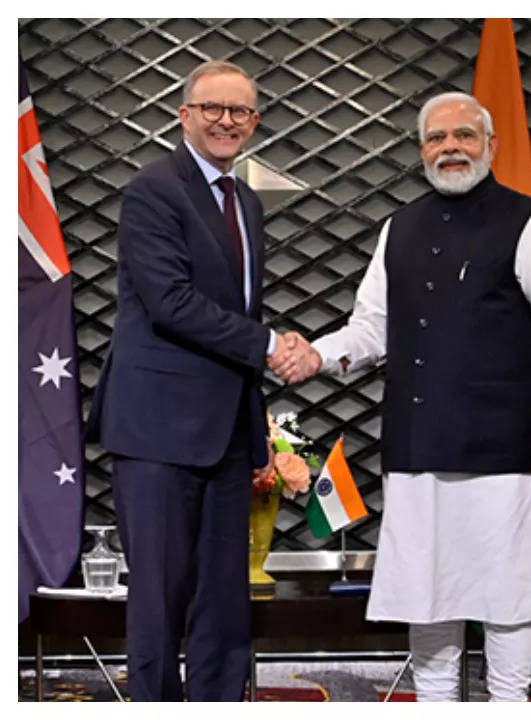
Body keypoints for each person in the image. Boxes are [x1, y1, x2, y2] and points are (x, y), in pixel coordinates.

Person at [277, 92, 531, 701]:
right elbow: (371, 326)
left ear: (491, 147)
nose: (450, 148)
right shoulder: (400, 227)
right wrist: (317, 353)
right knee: (428, 604)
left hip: (504, 455)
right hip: (416, 450)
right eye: (436, 138)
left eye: (464, 136)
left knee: (504, 602)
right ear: (421, 150)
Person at [84, 60, 313, 701]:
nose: (225, 121)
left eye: (239, 111)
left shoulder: (246, 203)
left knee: (224, 601)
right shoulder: (155, 188)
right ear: (184, 114)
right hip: (157, 428)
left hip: (226, 433)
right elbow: (170, 302)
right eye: (212, 108)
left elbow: (237, 316)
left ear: (255, 123)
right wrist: (271, 346)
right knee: (159, 599)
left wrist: (255, 420)